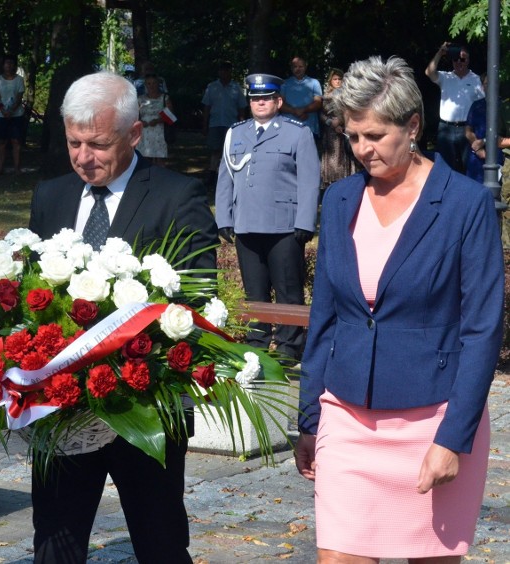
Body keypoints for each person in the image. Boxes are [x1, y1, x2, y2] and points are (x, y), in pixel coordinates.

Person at [296, 56, 503, 562]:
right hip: (345, 419)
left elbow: (482, 330)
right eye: (353, 136)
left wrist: (453, 438)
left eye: (374, 135)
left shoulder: (464, 204)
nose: (362, 149)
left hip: (432, 423)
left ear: (413, 126)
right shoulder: (341, 199)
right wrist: (308, 419)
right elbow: (325, 315)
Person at [27, 71, 218, 564]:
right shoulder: (50, 197)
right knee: (54, 544)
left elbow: (197, 300)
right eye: (74, 142)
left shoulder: (178, 197)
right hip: (62, 411)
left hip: (145, 408)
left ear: (135, 134)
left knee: (160, 545)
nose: (84, 157)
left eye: (98, 143)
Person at [215, 73, 320, 364]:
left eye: (266, 98)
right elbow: (226, 179)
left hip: (284, 226)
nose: (259, 103)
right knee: (254, 289)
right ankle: (257, 340)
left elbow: (309, 181)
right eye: (255, 99)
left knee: (288, 288)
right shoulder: (235, 133)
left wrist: (305, 222)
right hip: (246, 224)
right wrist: (224, 216)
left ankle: (289, 344)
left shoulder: (298, 133)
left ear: (279, 101)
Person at [425, 42, 485, 173]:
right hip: (445, 129)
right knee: (445, 167)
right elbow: (429, 72)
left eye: (462, 59)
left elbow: (482, 107)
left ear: (468, 60)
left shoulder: (476, 80)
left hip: (467, 130)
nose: (459, 62)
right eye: (455, 59)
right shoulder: (446, 77)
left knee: (467, 166)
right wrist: (440, 53)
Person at [201, 61, 248, 184]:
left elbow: (241, 107)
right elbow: (207, 107)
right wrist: (205, 124)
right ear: (219, 72)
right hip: (215, 123)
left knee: (229, 150)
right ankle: (212, 175)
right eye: (222, 70)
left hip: (231, 124)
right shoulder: (212, 87)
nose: (224, 73)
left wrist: (242, 124)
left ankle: (227, 175)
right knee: (215, 150)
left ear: (230, 72)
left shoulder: (236, 88)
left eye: (227, 70)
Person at [464, 73, 510, 184]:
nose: (490, 86)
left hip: (498, 155)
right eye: (486, 84)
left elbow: (502, 136)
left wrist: (485, 142)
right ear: (482, 87)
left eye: (493, 83)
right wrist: (478, 149)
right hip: (476, 156)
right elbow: (468, 130)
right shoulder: (476, 105)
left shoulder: (504, 106)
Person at [319, 68, 360, 188]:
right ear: (330, 81)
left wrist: (340, 121)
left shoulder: (347, 95)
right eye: (335, 79)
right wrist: (329, 122)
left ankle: (345, 183)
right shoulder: (325, 96)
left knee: (344, 158)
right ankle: (331, 185)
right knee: (331, 159)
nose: (337, 81)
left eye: (339, 79)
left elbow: (351, 110)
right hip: (329, 132)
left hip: (344, 130)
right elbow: (320, 113)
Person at [0, 55, 26, 174]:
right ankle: (0, 167)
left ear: (14, 65)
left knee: (16, 141)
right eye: (7, 63)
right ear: (3, 65)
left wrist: (11, 111)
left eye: (11, 63)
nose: (9, 66)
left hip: (16, 115)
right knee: (2, 141)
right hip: (1, 115)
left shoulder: (19, 80)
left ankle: (17, 168)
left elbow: (19, 97)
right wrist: (3, 111)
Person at [280, 56, 323, 142]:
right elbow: (280, 104)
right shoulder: (284, 83)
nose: (298, 69)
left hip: (309, 127)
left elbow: (318, 103)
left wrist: (303, 110)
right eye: (295, 67)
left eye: (300, 66)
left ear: (305, 67)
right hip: (288, 127)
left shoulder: (314, 83)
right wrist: (295, 111)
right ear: (291, 68)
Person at [137, 73, 173, 166]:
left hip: (159, 131)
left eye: (153, 83)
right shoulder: (140, 99)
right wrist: (140, 121)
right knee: (144, 158)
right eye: (149, 83)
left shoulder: (164, 98)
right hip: (144, 132)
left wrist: (158, 121)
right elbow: (134, 115)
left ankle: (160, 178)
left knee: (160, 159)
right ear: (145, 85)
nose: (151, 86)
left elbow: (170, 115)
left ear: (158, 84)